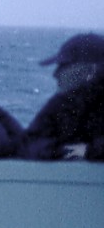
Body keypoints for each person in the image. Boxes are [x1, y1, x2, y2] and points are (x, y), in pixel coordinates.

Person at [23, 33, 104, 161]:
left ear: (91, 70)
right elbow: (29, 143)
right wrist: (60, 152)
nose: (55, 74)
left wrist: (90, 151)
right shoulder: (59, 105)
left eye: (64, 66)